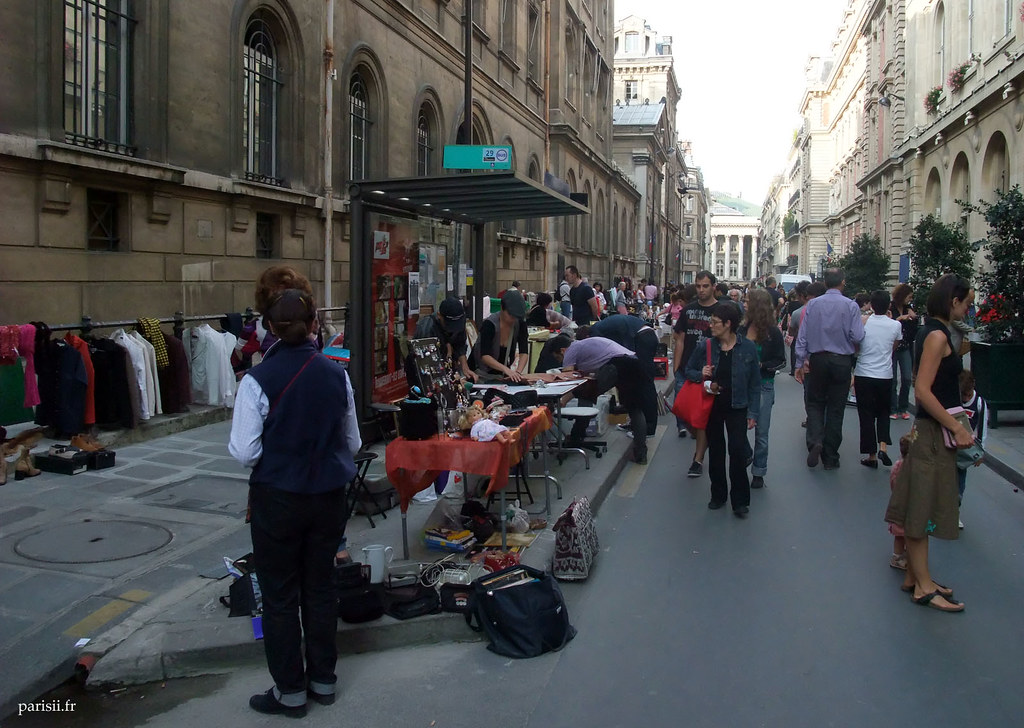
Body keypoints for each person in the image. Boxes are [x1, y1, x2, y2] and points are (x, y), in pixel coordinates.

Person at [229, 282, 361, 716]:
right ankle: (323, 680)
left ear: (268, 327)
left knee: (281, 595)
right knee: (320, 587)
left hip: (278, 500)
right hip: (327, 497)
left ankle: (290, 691)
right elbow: (353, 443)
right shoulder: (336, 375)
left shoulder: (257, 380)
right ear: (313, 325)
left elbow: (245, 451)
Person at [885, 274, 974, 613]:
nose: (968, 310)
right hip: (934, 432)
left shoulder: (932, 331)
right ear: (953, 301)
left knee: (921, 505)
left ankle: (917, 576)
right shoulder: (936, 336)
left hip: (931, 431)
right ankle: (923, 585)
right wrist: (956, 427)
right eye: (966, 303)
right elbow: (922, 390)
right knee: (922, 507)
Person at [685, 302, 760, 517]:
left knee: (737, 452)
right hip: (712, 406)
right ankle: (718, 495)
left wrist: (753, 413)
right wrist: (701, 373)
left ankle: (740, 501)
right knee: (716, 452)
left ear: (728, 324)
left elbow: (755, 383)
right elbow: (688, 370)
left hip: (738, 406)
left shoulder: (747, 348)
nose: (711, 326)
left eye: (715, 322)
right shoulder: (707, 346)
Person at [795, 269, 865, 470]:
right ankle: (831, 456)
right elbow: (858, 336)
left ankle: (815, 440)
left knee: (815, 402)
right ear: (842, 282)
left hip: (818, 359)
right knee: (836, 408)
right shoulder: (851, 306)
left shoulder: (813, 305)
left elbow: (803, 336)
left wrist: (800, 362)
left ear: (825, 283)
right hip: (842, 361)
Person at [551, 335, 650, 464]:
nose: (561, 362)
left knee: (585, 397)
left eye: (558, 357)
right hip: (634, 364)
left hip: (616, 365)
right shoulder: (585, 346)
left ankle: (575, 439)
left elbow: (568, 381)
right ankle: (641, 454)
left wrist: (561, 399)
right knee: (635, 409)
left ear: (562, 350)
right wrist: (565, 400)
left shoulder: (571, 349)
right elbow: (581, 383)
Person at [738, 289, 785, 489]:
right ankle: (747, 454)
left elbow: (781, 361)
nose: (744, 304)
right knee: (738, 428)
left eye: (747, 301)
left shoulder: (772, 332)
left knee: (762, 432)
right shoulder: (742, 329)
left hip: (764, 384)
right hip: (742, 384)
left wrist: (762, 365)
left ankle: (759, 472)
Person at [586, 314, 660, 437]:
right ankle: (636, 423)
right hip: (645, 336)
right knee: (633, 381)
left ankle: (648, 428)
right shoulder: (601, 328)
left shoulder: (595, 332)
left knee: (645, 383)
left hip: (642, 338)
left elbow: (601, 354)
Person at [673, 270, 718, 467]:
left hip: (709, 372)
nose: (701, 290)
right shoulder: (688, 310)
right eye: (698, 286)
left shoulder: (721, 311)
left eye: (705, 286)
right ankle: (705, 442)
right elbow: (680, 339)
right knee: (681, 412)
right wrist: (676, 367)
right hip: (687, 369)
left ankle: (697, 459)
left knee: (701, 419)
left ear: (713, 287)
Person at [853, 290, 903, 469]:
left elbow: (856, 344)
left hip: (864, 373)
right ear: (888, 305)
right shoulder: (895, 326)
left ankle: (871, 455)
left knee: (866, 415)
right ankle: (883, 446)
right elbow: (894, 347)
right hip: (885, 375)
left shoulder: (863, 322)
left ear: (872, 305)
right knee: (883, 412)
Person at [405, 296, 476, 384]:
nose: (453, 329)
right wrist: (452, 380)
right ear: (439, 315)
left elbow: (460, 344)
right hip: (423, 370)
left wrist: (465, 368)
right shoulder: (427, 328)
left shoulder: (460, 322)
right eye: (450, 325)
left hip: (445, 368)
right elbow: (426, 364)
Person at [956, 369, 988, 530]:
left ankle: (955, 511)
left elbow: (982, 429)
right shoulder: (955, 400)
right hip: (950, 445)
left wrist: (980, 453)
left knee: (960, 482)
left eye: (968, 396)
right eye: (963, 396)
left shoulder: (980, 403)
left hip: (966, 450)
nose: (966, 399)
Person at [475, 290, 529, 382]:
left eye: (516, 316)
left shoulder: (520, 323)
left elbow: (524, 352)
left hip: (502, 376)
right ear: (501, 308)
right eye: (510, 315)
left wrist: (518, 372)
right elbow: (485, 356)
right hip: (482, 373)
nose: (513, 319)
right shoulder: (489, 324)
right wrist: (506, 370)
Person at [889, 283, 918, 420]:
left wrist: (914, 319)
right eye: (909, 297)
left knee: (906, 377)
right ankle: (893, 408)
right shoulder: (891, 307)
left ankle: (903, 407)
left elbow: (913, 332)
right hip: (893, 347)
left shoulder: (909, 309)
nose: (910, 300)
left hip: (905, 346)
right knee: (893, 379)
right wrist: (899, 319)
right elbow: (887, 325)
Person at [888, 435, 912, 571]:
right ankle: (911, 556)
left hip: (899, 506)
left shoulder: (897, 466)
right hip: (912, 508)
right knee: (912, 535)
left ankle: (897, 557)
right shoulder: (914, 470)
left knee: (899, 535)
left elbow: (893, 483)